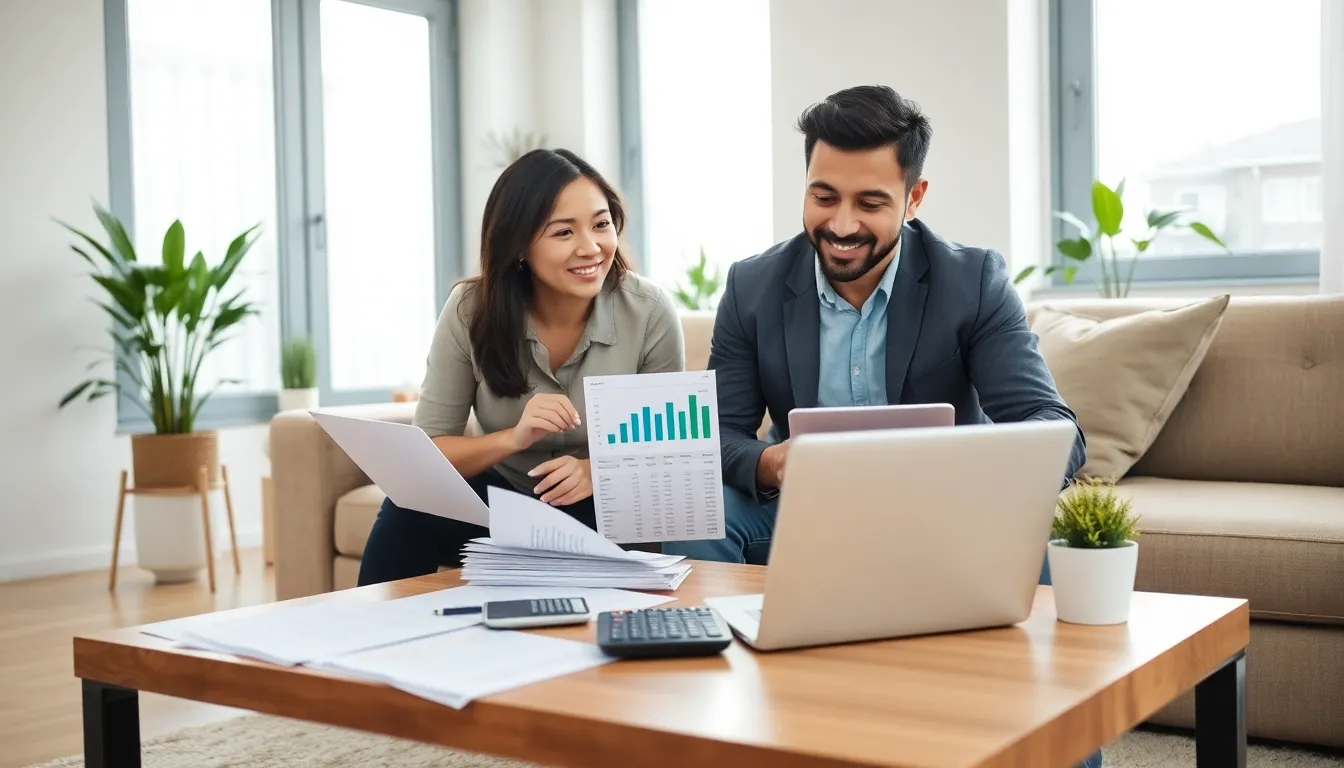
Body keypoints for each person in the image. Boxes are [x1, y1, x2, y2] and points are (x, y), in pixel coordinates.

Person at [662, 85, 1086, 566]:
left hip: (950, 509)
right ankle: (708, 639)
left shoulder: (973, 281)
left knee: (1047, 530)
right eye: (824, 197)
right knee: (696, 511)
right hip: (802, 507)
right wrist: (771, 462)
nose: (842, 226)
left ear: (914, 198)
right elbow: (716, 433)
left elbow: (1054, 427)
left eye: (869, 203)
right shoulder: (752, 285)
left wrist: (975, 476)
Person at [357, 148, 685, 586]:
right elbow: (432, 450)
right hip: (502, 507)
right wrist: (512, 438)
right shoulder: (470, 310)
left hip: (606, 510)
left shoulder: (649, 312)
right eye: (563, 232)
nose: (591, 247)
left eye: (601, 224)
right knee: (408, 504)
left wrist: (594, 470)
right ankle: (370, 635)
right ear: (519, 245)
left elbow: (670, 452)